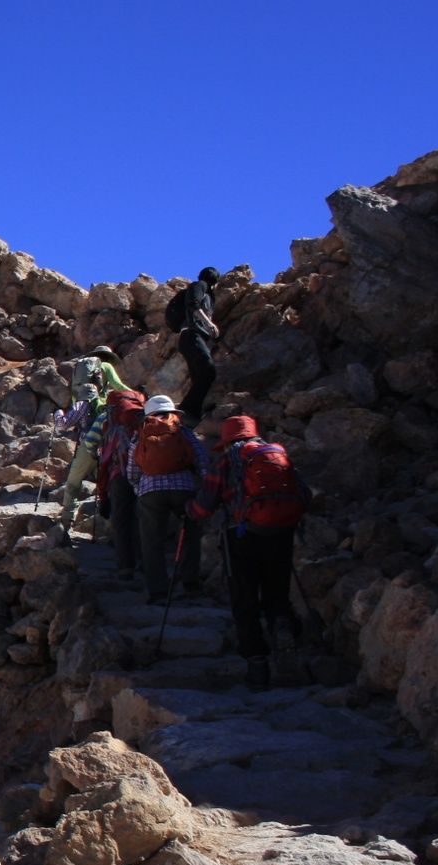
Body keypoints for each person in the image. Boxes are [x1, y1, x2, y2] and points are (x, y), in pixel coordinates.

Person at [188, 415, 308, 690]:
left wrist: (189, 511)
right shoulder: (276, 453)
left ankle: (257, 664)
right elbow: (304, 494)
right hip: (280, 532)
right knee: (277, 592)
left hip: (240, 534)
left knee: (244, 596)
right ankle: (282, 630)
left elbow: (204, 505)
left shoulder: (227, 460)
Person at [125, 394, 206, 604]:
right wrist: (203, 486)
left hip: (150, 490)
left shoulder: (141, 434)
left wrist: (138, 488)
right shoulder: (182, 431)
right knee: (190, 535)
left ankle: (158, 590)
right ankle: (190, 584)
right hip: (184, 488)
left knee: (152, 541)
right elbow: (201, 459)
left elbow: (132, 470)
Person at [95, 388, 145, 580]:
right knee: (142, 519)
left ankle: (126, 567)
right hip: (146, 476)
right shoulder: (144, 424)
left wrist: (103, 497)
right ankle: (144, 562)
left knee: (122, 521)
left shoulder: (112, 428)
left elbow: (105, 463)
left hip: (120, 477)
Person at [167, 269, 220, 423]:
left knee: (199, 377)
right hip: (191, 335)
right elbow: (193, 304)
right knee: (208, 371)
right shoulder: (200, 286)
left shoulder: (206, 292)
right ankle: (186, 410)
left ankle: (193, 414)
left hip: (190, 338)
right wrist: (209, 323)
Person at [58, 384, 104, 531]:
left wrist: (58, 413)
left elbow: (63, 425)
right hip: (107, 447)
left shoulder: (82, 404)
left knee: (73, 481)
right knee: (104, 481)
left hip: (88, 446)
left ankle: (67, 519)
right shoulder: (104, 404)